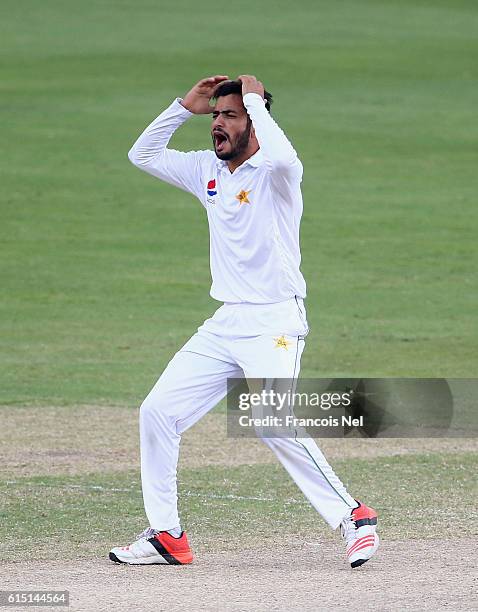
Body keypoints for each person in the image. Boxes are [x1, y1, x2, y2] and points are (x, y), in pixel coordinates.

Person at [109, 75, 379, 568]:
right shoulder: (206, 171)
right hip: (225, 323)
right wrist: (181, 108)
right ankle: (167, 536)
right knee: (157, 412)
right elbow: (142, 155)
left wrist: (254, 99)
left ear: (255, 122)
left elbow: (282, 156)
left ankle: (353, 517)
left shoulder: (276, 174)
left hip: (275, 318)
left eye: (229, 115)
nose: (217, 124)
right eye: (215, 115)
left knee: (272, 422)